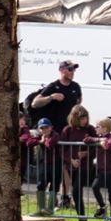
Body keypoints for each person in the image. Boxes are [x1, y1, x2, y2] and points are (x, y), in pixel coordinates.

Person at [31, 60, 82, 209]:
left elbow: (78, 105)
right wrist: (51, 97)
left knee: (66, 166)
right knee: (55, 168)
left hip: (68, 133)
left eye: (73, 69)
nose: (72, 72)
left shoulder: (75, 87)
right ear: (61, 70)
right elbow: (35, 103)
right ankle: (49, 204)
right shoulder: (53, 86)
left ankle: (64, 198)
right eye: (70, 69)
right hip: (54, 134)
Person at [60, 105, 96, 221]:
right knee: (76, 193)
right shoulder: (67, 130)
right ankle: (82, 220)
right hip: (71, 166)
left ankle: (82, 220)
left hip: (85, 166)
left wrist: (87, 153)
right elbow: (62, 149)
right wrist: (70, 161)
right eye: (81, 118)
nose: (84, 121)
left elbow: (96, 148)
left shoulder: (90, 129)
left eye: (85, 118)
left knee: (76, 190)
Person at [85, 117, 111, 221]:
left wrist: (104, 142)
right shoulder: (99, 137)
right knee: (95, 187)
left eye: (98, 126)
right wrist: (98, 141)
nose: (95, 128)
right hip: (101, 171)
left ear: (105, 128)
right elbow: (86, 140)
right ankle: (102, 207)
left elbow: (110, 145)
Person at [30, 117, 61, 217]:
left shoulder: (55, 135)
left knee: (53, 186)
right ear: (39, 129)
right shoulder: (39, 136)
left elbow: (50, 144)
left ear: (51, 127)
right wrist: (39, 141)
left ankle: (50, 209)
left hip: (56, 164)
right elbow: (29, 142)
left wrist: (44, 140)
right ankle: (41, 209)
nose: (45, 130)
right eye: (42, 128)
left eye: (46, 127)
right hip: (43, 164)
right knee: (40, 185)